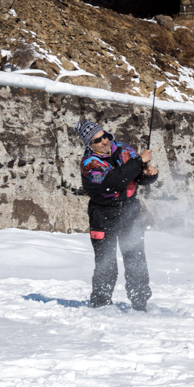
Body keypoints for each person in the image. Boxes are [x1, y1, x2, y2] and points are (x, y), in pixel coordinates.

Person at [74, 120, 159, 310]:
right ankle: (101, 305)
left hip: (129, 211)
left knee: (136, 258)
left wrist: (149, 174)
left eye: (105, 135)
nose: (104, 141)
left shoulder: (124, 149)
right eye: (98, 140)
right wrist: (139, 162)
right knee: (106, 263)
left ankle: (140, 302)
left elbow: (136, 177)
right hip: (103, 214)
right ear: (90, 145)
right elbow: (112, 182)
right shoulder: (90, 163)